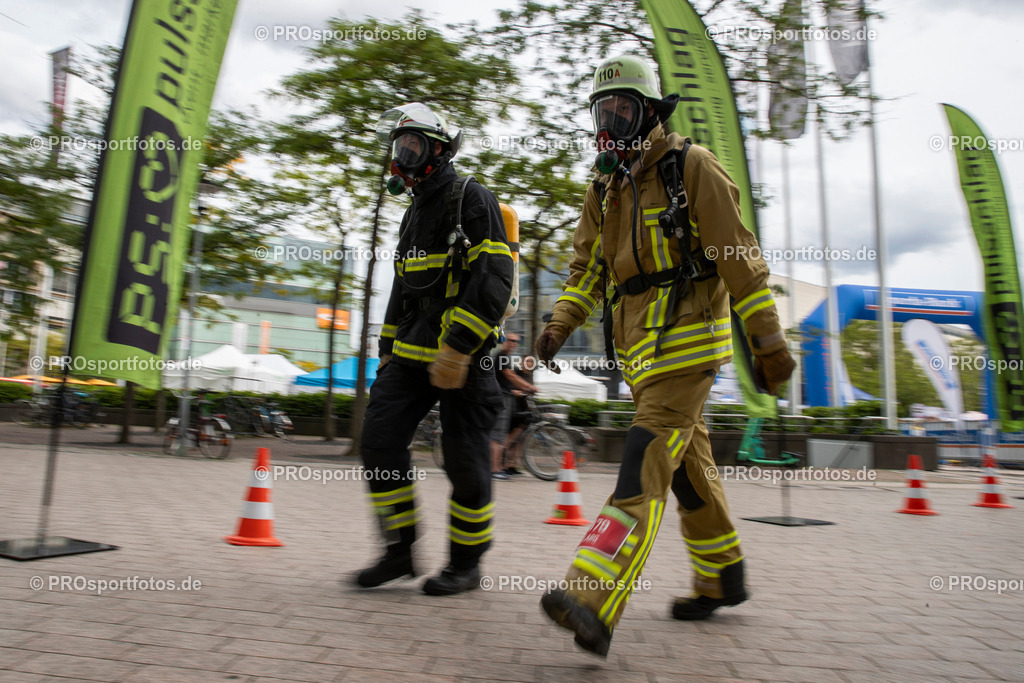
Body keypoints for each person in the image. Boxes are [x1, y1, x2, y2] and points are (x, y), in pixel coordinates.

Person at [535, 55, 795, 655]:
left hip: (687, 349)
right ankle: (721, 575)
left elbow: (738, 256)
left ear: (650, 112)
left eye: (624, 108)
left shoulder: (691, 166)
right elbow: (587, 271)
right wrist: (557, 325)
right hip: (640, 361)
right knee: (687, 471)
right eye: (604, 110)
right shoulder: (603, 187)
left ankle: (592, 595)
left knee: (644, 464)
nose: (612, 120)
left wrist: (769, 341)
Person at [356, 102, 514, 596]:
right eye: (398, 146)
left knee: (464, 462)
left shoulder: (471, 198)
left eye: (413, 146)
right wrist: (386, 351)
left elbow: (494, 279)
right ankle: (400, 552)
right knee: (379, 443)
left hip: (465, 360)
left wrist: (459, 348)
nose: (402, 156)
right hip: (410, 357)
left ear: (438, 150)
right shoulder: (414, 213)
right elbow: (404, 289)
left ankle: (465, 566)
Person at [489, 334, 536, 479]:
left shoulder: (506, 358)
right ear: (505, 342)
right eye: (511, 340)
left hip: (505, 398)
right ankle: (495, 470)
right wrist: (529, 387)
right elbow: (511, 376)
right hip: (502, 397)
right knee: (497, 434)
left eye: (516, 341)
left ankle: (499, 467)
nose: (514, 343)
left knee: (501, 434)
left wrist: (526, 388)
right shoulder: (502, 356)